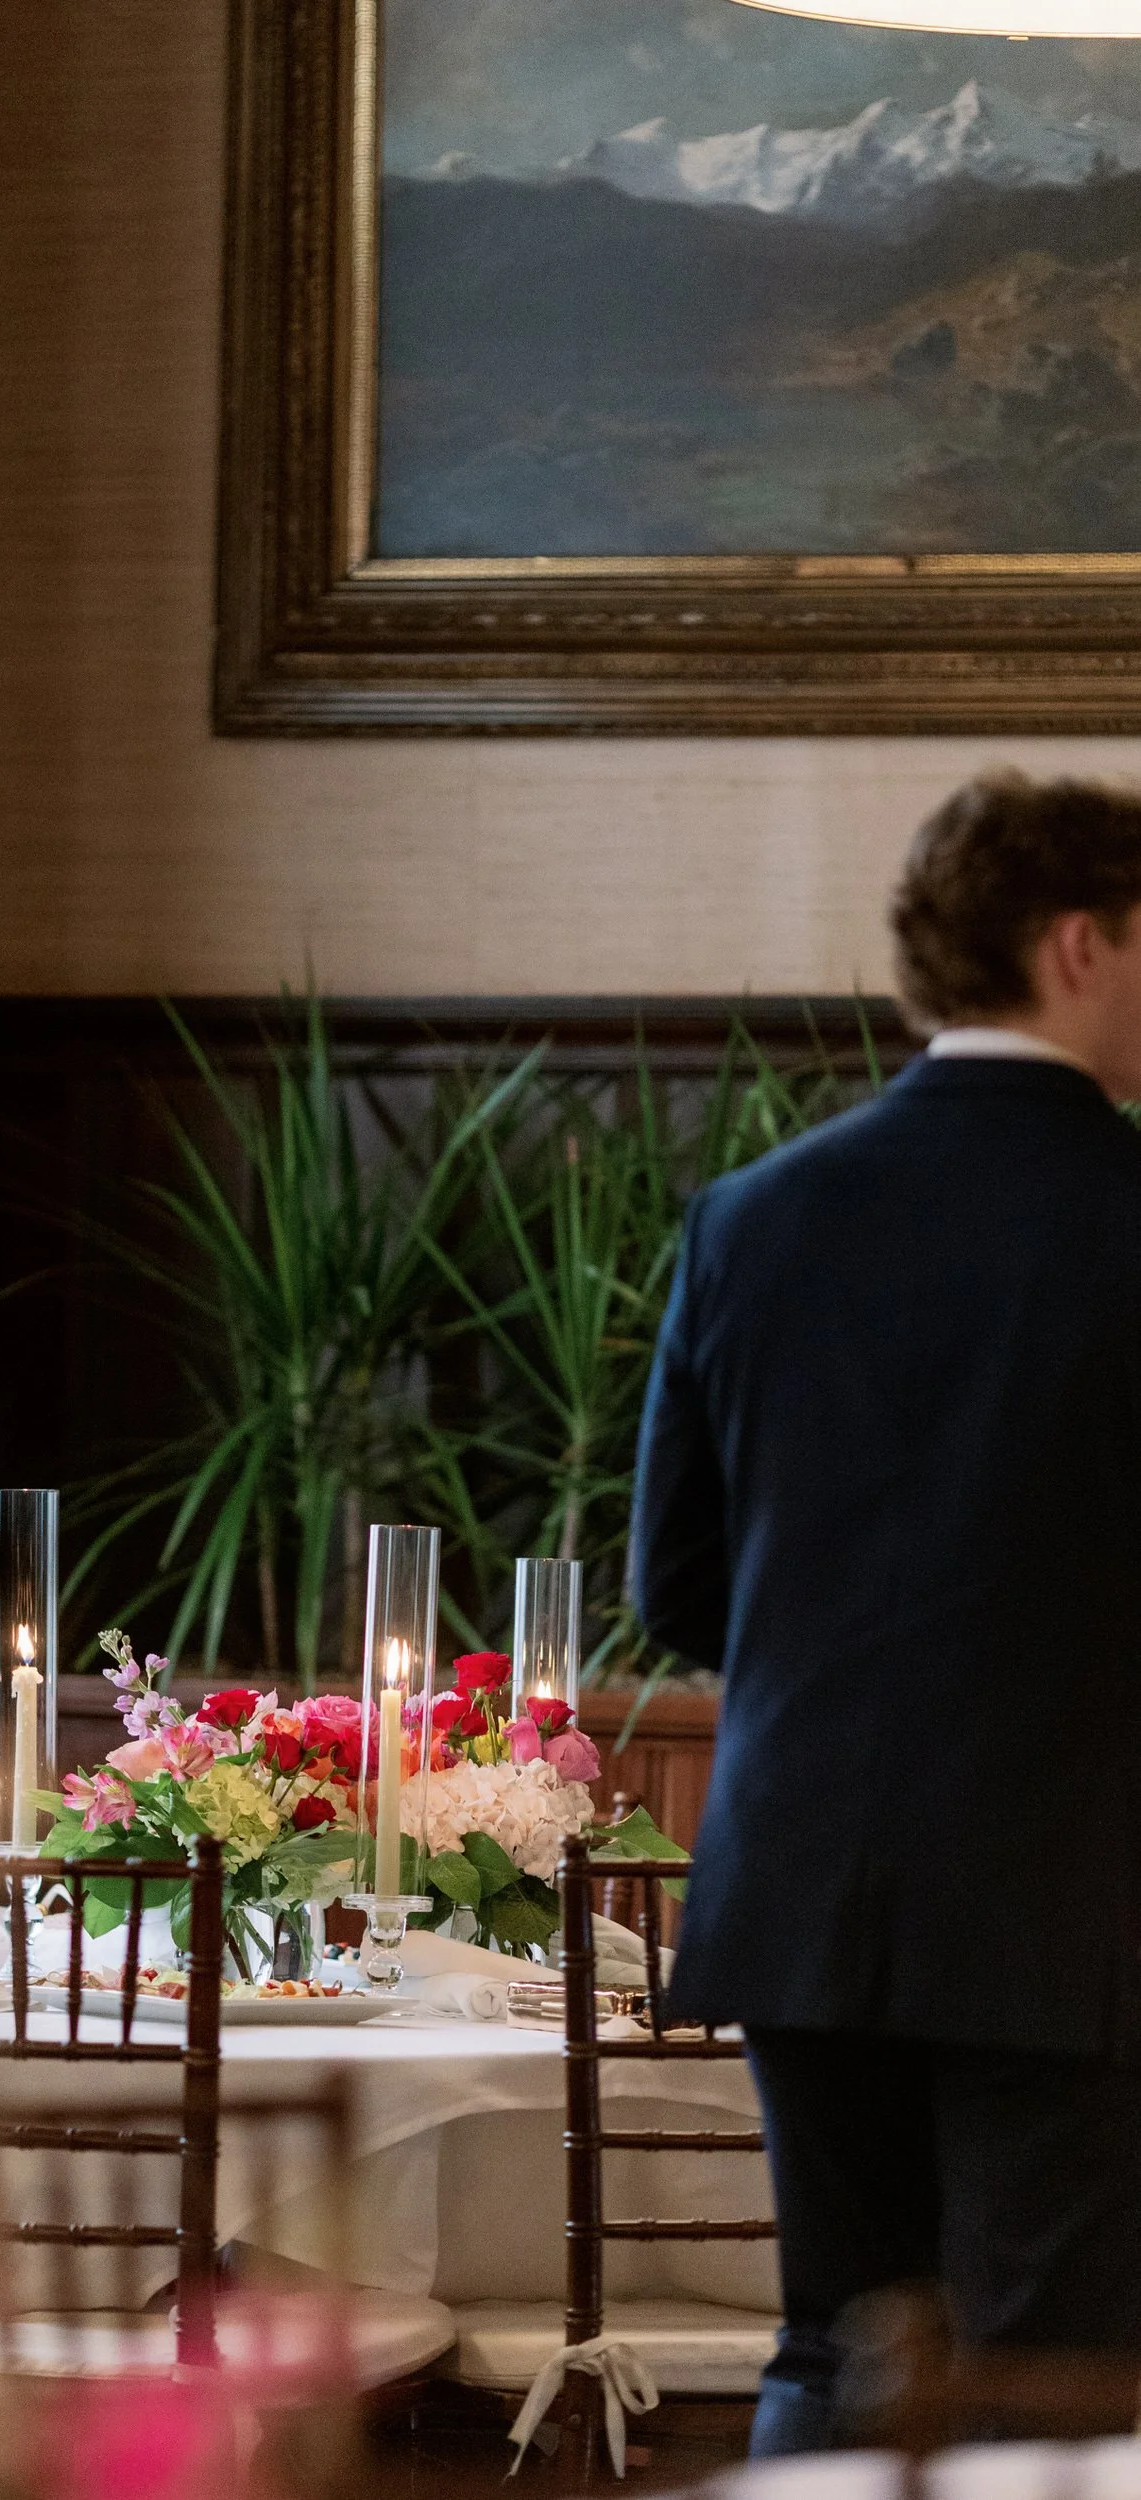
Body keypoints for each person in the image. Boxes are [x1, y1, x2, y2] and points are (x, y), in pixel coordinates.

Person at [630, 774, 1141, 2456]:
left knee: (829, 2341)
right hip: (1070, 1885)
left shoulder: (750, 1218)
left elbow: (676, 1588)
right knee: (1045, 2361)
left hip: (802, 1874)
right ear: (1079, 942)